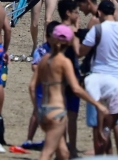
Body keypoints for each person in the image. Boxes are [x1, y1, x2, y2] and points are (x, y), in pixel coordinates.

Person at [32, 25, 107, 160]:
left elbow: (32, 86)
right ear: (69, 42)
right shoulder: (64, 62)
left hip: (43, 110)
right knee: (46, 153)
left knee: (63, 153)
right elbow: (76, 89)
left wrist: (36, 108)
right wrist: (97, 104)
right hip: (57, 112)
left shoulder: (44, 60)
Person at [79, 0, 118, 154]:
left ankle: (101, 155)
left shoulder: (97, 29)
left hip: (99, 78)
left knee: (98, 122)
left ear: (100, 13)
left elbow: (82, 51)